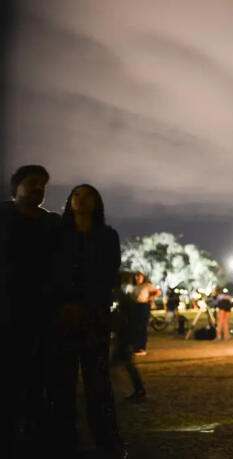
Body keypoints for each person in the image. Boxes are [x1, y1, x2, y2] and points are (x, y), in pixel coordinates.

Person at [48, 184, 125, 456]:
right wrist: (64, 304)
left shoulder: (107, 236)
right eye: (77, 195)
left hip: (95, 317)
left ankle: (108, 442)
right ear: (70, 202)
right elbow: (52, 273)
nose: (81, 200)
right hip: (63, 317)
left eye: (88, 195)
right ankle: (64, 441)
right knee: (63, 383)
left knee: (99, 384)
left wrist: (94, 307)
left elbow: (108, 274)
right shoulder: (57, 234)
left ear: (97, 203)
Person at [1, 165, 60, 455]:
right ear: (16, 187)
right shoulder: (3, 215)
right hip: (8, 311)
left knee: (40, 377)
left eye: (43, 184)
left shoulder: (52, 223)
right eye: (32, 182)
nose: (39, 188)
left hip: (44, 313)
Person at [112, 272, 146, 401]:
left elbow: (128, 319)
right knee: (123, 363)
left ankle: (137, 389)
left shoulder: (124, 297)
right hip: (125, 334)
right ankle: (136, 389)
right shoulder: (124, 296)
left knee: (125, 363)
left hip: (125, 335)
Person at [130, 271, 160, 355]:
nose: (138, 279)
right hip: (136, 306)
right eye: (136, 277)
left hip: (144, 305)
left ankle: (142, 348)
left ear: (143, 278)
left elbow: (158, 292)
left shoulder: (147, 286)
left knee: (143, 327)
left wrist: (149, 298)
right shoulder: (135, 287)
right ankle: (136, 347)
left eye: (139, 277)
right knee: (136, 327)